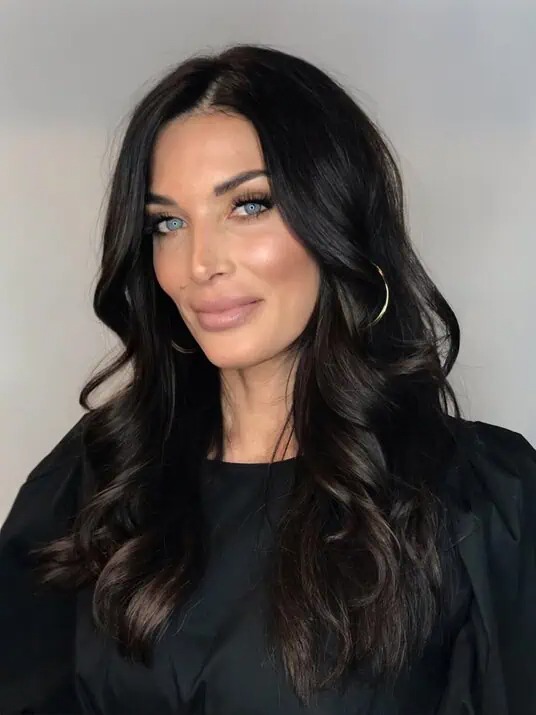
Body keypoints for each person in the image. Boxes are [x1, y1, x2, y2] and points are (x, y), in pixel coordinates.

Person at [0, 42, 534, 715]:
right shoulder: (99, 475)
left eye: (248, 206)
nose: (199, 263)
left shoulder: (481, 498)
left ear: (335, 219)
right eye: (168, 222)